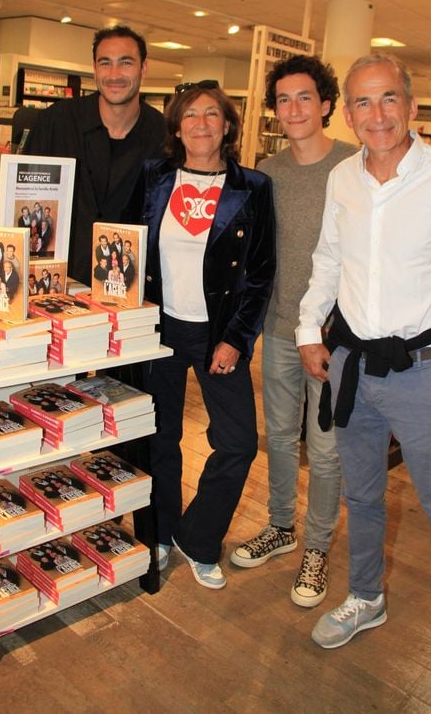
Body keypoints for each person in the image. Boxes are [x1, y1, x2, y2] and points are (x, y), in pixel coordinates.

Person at [296, 53, 431, 655]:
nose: (378, 114)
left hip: (423, 370)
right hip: (352, 365)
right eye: (363, 102)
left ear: (412, 105)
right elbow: (328, 261)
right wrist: (308, 329)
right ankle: (366, 596)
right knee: (361, 494)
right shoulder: (344, 178)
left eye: (389, 98)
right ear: (347, 114)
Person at [137, 81, 275, 589]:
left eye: (211, 114)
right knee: (159, 435)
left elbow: (259, 274)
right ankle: (159, 528)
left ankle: (196, 538)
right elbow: (129, 251)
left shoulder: (253, 187)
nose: (200, 123)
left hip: (217, 334)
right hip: (157, 328)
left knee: (238, 443)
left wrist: (236, 340)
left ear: (227, 125)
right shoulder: (153, 177)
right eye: (190, 114)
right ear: (176, 126)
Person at [230, 55, 357, 608]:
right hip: (280, 330)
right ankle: (281, 526)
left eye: (305, 97)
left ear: (326, 103)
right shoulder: (266, 173)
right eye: (283, 99)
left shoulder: (355, 166)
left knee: (326, 452)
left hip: (336, 336)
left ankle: (318, 548)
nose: (294, 109)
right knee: (279, 437)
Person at [26, 25, 166, 284]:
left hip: (129, 290)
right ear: (94, 68)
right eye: (105, 63)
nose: (115, 74)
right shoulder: (55, 123)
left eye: (125, 63)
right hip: (57, 282)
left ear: (143, 68)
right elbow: (22, 197)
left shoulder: (164, 136)